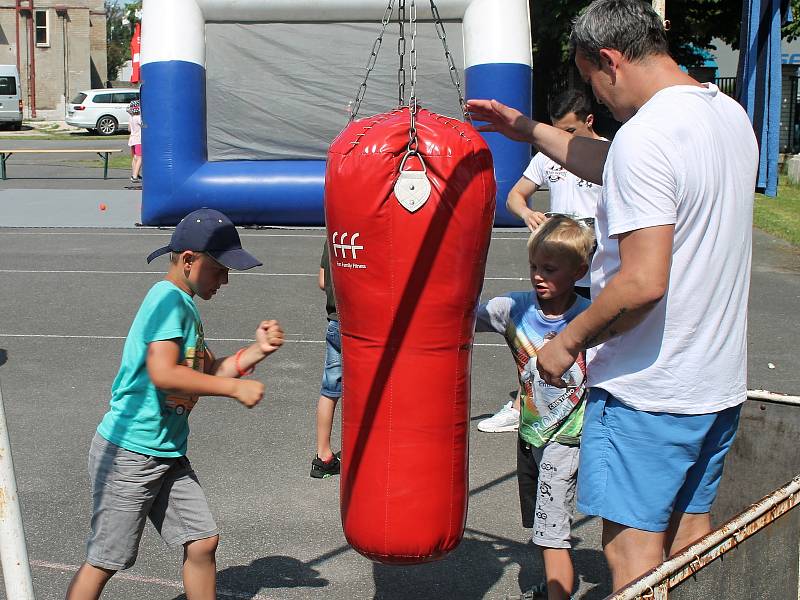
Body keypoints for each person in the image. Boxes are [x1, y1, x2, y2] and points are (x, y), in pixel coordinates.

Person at [467, 0, 758, 592]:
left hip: (649, 391)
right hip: (715, 384)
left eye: (591, 78)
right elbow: (615, 162)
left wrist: (566, 342)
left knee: (631, 556)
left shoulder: (647, 136)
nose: (594, 97)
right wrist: (524, 129)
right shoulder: (726, 114)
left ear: (610, 59)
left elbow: (642, 281)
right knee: (688, 539)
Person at [66, 208, 285, 600]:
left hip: (165, 450)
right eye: (220, 269)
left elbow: (209, 371)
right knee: (105, 560)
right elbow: (164, 373)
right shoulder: (167, 301)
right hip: (130, 453)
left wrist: (258, 350)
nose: (225, 280)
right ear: (189, 260)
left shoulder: (185, 307)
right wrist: (236, 391)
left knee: (202, 541)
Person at [476, 217, 593, 600]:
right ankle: (552, 586)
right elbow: (459, 316)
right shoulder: (514, 309)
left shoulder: (591, 317)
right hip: (531, 435)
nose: (538, 276)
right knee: (541, 524)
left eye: (550, 269)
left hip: (568, 440)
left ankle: (558, 593)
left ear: (580, 270)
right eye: (534, 267)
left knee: (552, 535)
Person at [478, 89, 603, 434]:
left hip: (596, 268)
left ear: (589, 121)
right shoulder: (548, 157)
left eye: (570, 131)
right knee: (534, 336)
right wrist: (528, 213)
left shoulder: (607, 155)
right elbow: (515, 196)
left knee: (591, 346)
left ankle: (584, 409)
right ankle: (524, 403)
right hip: (558, 266)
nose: (562, 138)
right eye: (557, 130)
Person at [310, 242, 342, 478]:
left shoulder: (333, 235)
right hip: (361, 325)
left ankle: (323, 455)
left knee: (329, 390)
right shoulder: (370, 231)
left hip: (335, 322)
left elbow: (322, 282)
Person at [127, 99, 142, 184]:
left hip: (132, 139)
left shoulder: (131, 117)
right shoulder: (138, 118)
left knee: (135, 158)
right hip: (139, 139)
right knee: (140, 157)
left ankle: (134, 173)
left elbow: (129, 129)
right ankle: (135, 176)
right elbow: (144, 126)